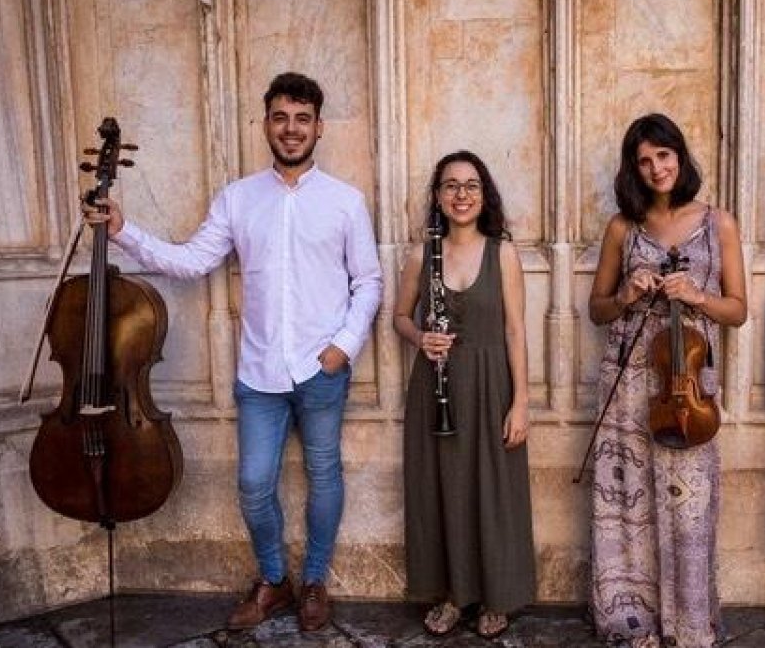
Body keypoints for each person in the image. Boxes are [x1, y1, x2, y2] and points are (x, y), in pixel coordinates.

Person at [83, 72, 383, 632]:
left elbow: (367, 281)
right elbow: (192, 261)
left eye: (302, 119)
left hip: (323, 370)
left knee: (325, 475)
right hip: (261, 371)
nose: (291, 130)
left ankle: (315, 580)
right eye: (280, 118)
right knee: (252, 482)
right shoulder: (238, 198)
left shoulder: (345, 202)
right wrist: (124, 230)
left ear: (319, 127)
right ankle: (273, 579)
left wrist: (342, 347)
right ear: (265, 124)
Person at [587, 113, 747, 648]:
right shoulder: (621, 227)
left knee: (688, 505)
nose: (657, 168)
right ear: (634, 170)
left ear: (681, 155)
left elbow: (739, 310)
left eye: (665, 155)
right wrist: (628, 295)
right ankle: (631, 620)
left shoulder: (718, 222)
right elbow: (597, 310)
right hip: (630, 379)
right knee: (629, 500)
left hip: (686, 381)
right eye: (645, 160)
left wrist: (698, 296)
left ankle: (687, 623)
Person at [392, 150, 534, 641]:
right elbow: (400, 317)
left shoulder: (503, 252)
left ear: (483, 194)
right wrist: (420, 338)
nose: (461, 195)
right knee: (442, 490)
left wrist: (521, 403)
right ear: (437, 196)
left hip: (492, 385)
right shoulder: (420, 254)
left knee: (492, 491)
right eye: (450, 186)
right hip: (436, 388)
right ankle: (452, 594)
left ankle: (496, 596)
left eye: (471, 185)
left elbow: (516, 332)